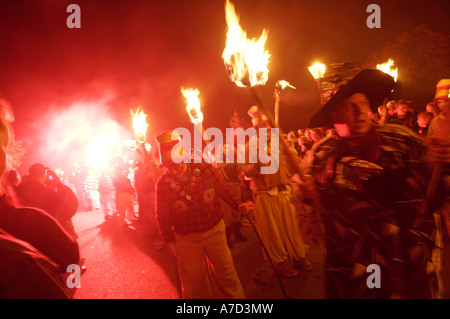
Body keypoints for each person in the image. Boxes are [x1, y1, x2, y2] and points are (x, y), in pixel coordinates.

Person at [301, 69, 447, 298]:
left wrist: (435, 168)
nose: (360, 111)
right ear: (333, 113)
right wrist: (310, 198)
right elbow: (323, 226)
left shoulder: (402, 140)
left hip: (406, 263)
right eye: (350, 105)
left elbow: (431, 202)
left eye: (363, 102)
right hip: (353, 272)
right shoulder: (321, 156)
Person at [0, 101, 80, 298]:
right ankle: (73, 287)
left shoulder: (20, 194)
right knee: (72, 261)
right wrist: (59, 185)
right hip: (51, 235)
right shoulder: (28, 227)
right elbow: (66, 205)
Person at [155, 130, 247, 299]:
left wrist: (238, 204)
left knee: (225, 273)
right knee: (194, 282)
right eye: (170, 166)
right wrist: (168, 240)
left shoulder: (203, 168)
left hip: (215, 231)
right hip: (187, 239)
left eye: (178, 163)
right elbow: (162, 215)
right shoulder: (162, 184)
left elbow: (223, 188)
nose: (175, 169)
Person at [242, 106, 312, 279]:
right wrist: (258, 164)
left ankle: (298, 256)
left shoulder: (278, 142)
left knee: (292, 229)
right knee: (272, 232)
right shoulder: (251, 145)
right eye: (262, 127)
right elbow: (246, 172)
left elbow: (295, 162)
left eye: (268, 126)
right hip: (266, 195)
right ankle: (277, 261)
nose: (266, 129)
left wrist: (305, 162)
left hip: (285, 193)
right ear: (255, 129)